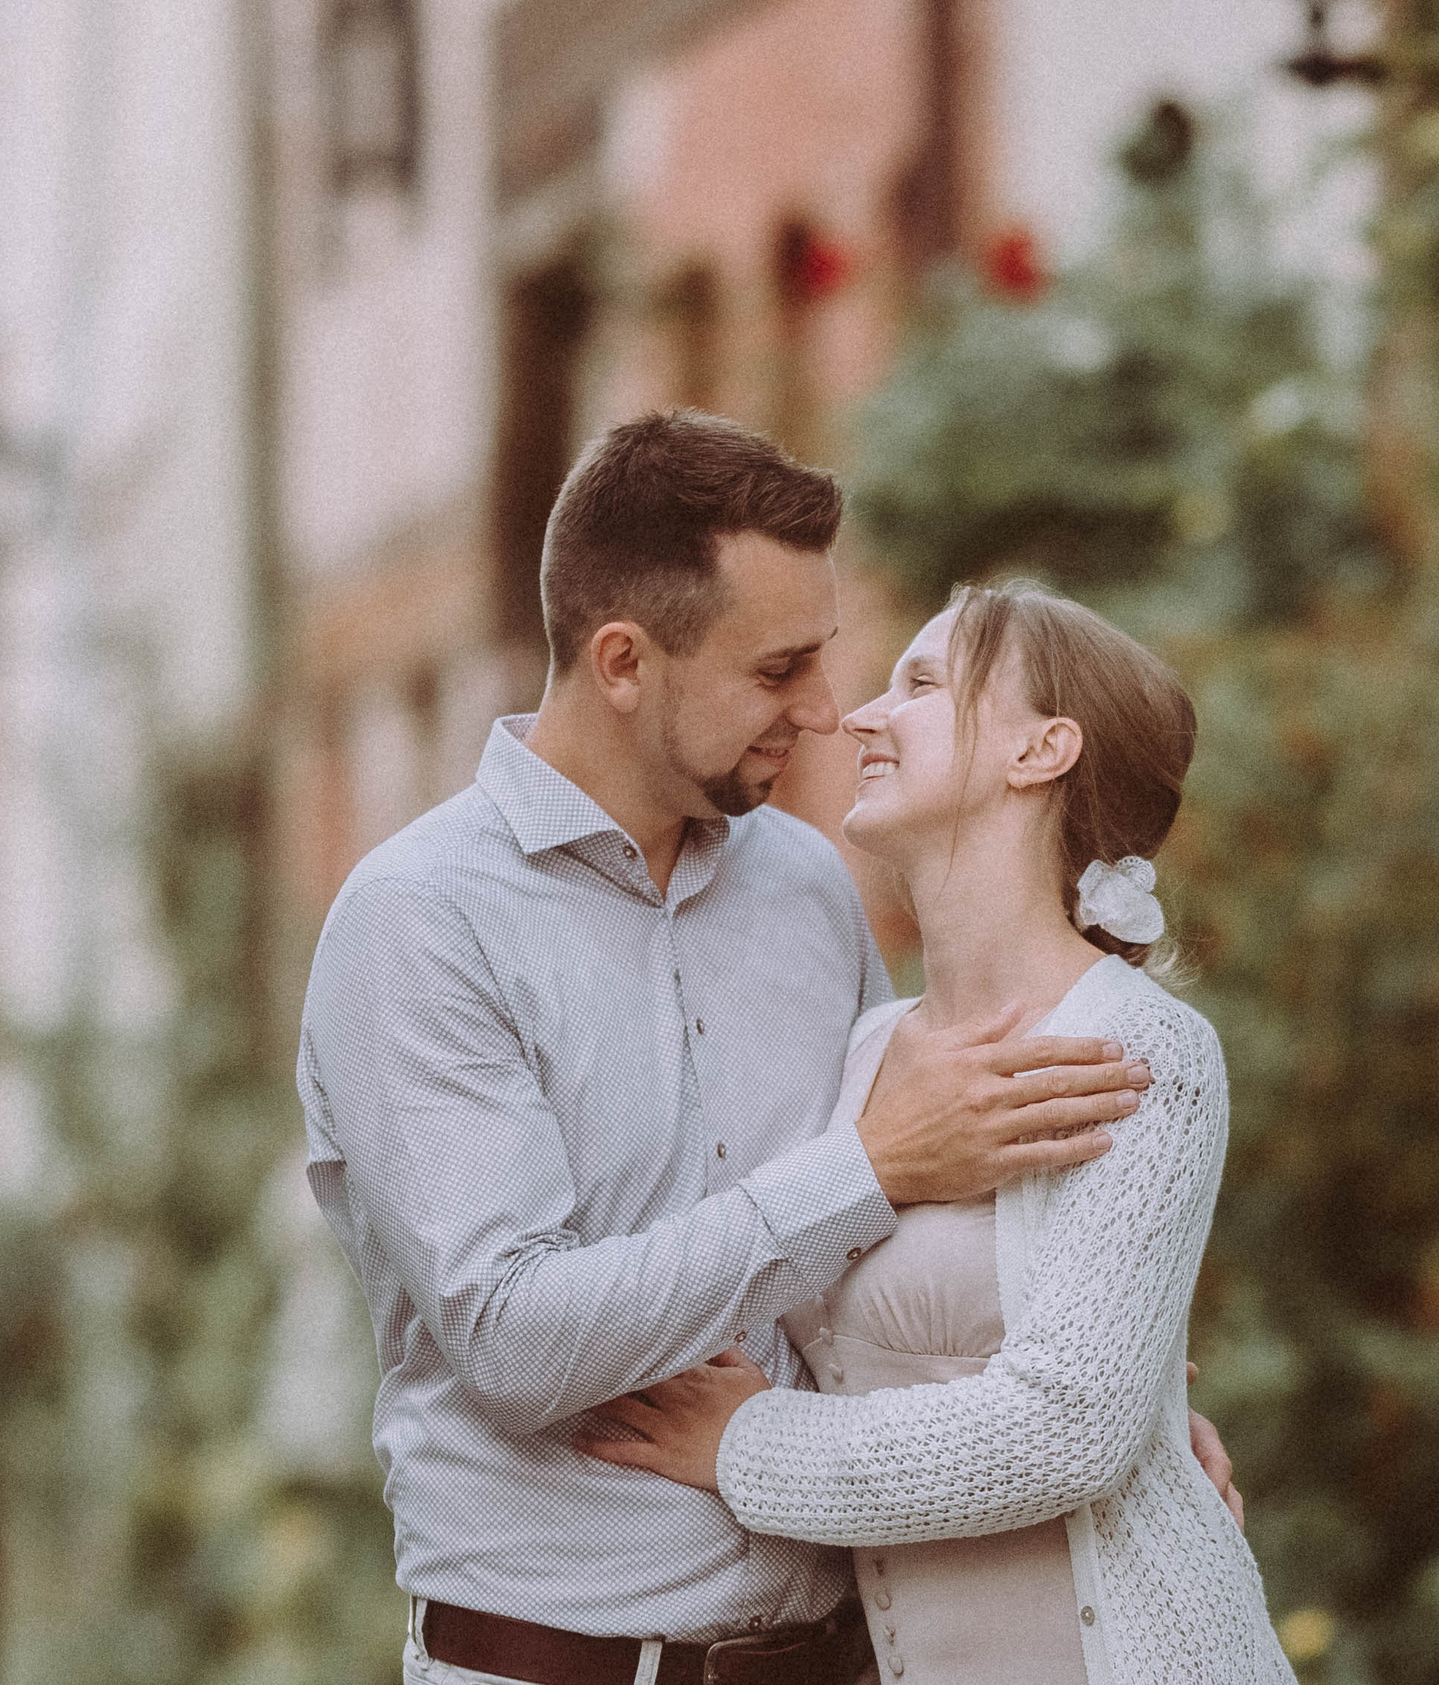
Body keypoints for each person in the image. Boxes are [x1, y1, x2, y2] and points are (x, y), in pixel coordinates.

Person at [297, 410, 1235, 1685]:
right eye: (778, 668)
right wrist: (865, 1164)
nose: (826, 708)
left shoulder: (805, 883)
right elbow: (514, 1339)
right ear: (623, 660)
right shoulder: (420, 922)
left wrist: (1116, 1407)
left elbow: (883, 1265)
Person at [575, 580, 1296, 1684]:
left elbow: (1065, 1430)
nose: (862, 714)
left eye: (918, 685)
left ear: (1041, 748)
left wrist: (748, 1445)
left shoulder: (1148, 1049)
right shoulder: (868, 1050)